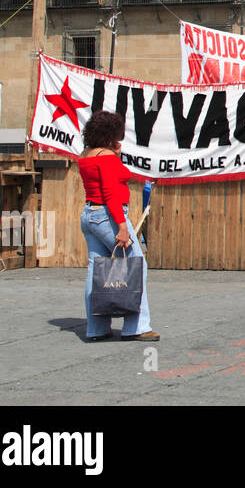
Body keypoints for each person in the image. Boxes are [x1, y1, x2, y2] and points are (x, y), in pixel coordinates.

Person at [77, 110, 159, 342]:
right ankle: (137, 327)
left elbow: (111, 179)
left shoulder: (86, 155)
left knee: (95, 270)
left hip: (89, 214)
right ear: (111, 133)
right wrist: (122, 227)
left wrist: (115, 156)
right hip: (108, 215)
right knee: (136, 264)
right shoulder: (107, 157)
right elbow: (111, 194)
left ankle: (96, 328)